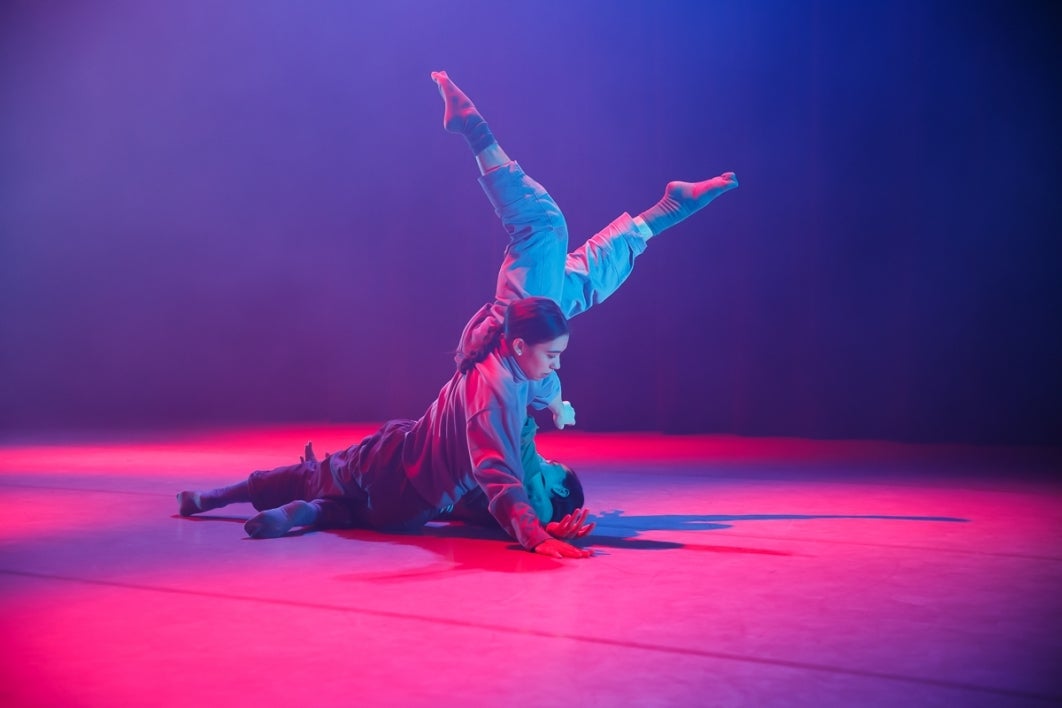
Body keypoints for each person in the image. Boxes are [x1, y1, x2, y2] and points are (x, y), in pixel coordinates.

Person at [426, 71, 738, 525]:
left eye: (554, 469)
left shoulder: (522, 472)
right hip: (525, 326)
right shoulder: (503, 461)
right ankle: (663, 212)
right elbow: (536, 387)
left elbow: (532, 386)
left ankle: (473, 127)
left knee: (543, 226)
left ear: (552, 487)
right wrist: (554, 402)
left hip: (514, 321)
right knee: (584, 283)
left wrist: (553, 407)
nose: (548, 462)